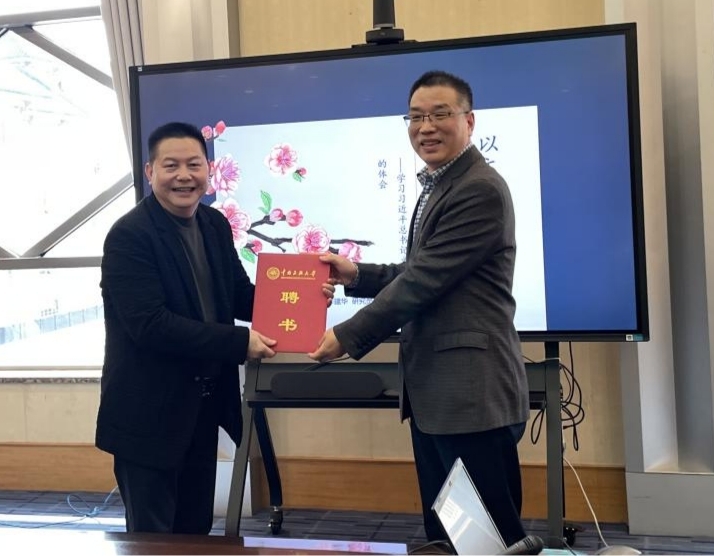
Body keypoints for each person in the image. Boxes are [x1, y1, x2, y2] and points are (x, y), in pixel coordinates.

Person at [311, 71, 533, 549]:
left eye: (440, 114)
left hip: (471, 396)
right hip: (441, 395)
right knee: (448, 534)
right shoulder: (443, 183)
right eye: (415, 117)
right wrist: (356, 274)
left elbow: (423, 281)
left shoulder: (478, 188)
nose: (425, 127)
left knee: (487, 538)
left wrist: (347, 336)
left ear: (469, 121)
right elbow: (420, 270)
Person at [96, 121, 332, 534]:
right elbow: (150, 325)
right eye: (171, 166)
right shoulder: (129, 236)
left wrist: (305, 298)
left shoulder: (214, 224)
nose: (184, 176)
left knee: (195, 531)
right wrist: (239, 342)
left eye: (194, 164)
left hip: (201, 409)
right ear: (150, 172)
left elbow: (239, 295)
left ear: (209, 170)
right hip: (148, 415)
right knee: (153, 539)